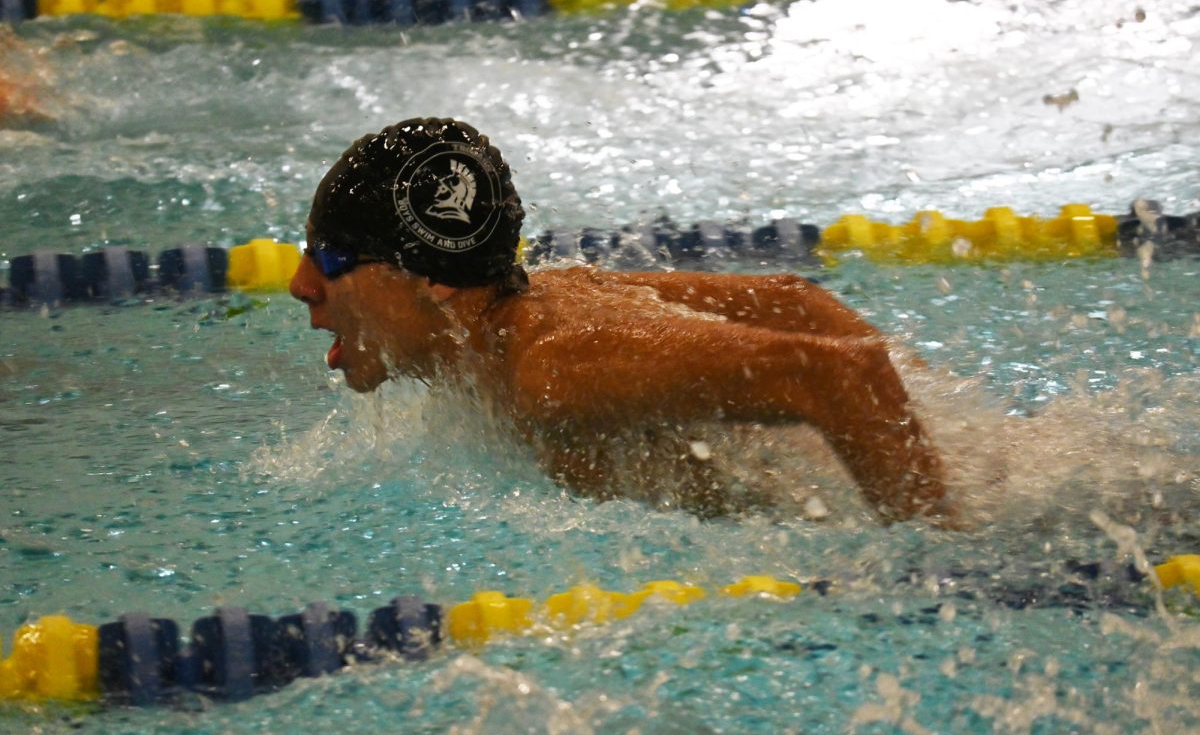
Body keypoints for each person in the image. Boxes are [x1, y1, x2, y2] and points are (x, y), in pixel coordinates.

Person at [290, 118, 952, 524]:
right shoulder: (537, 303)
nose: (301, 286)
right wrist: (952, 436)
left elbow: (837, 374)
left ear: (426, 274)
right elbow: (792, 300)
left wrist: (942, 555)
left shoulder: (549, 370)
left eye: (330, 258)